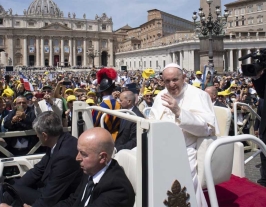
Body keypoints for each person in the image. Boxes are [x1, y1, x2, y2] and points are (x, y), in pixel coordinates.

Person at [149, 63, 219, 207]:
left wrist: (179, 112)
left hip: (186, 147)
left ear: (184, 78)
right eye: (167, 81)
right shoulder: (161, 95)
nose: (171, 84)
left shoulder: (198, 95)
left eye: (175, 80)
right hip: (160, 146)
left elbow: (207, 128)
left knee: (182, 174)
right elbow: (152, 120)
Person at [0, 111, 83, 207]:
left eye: (37, 134)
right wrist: (14, 186)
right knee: (12, 188)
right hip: (49, 190)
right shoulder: (59, 142)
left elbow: (51, 196)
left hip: (61, 199)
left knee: (10, 194)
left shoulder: (65, 155)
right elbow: (38, 170)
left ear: (45, 136)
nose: (37, 136)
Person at [54, 127, 135, 207]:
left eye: (83, 154)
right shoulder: (91, 169)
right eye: (78, 151)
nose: (77, 158)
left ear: (103, 157)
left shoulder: (117, 190)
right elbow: (74, 200)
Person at [92, 68, 121, 140]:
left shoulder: (98, 108)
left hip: (103, 138)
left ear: (102, 92)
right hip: (118, 137)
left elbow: (93, 125)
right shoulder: (120, 104)